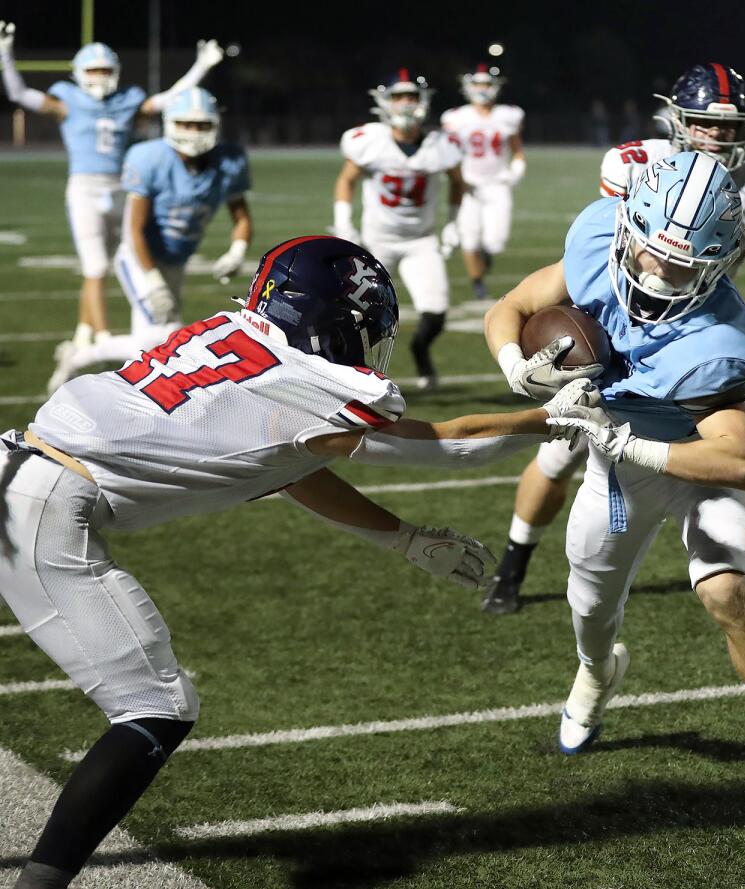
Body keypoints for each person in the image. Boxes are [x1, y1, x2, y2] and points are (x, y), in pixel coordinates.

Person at [0, 235, 595, 889]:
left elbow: (290, 466)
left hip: (23, 472)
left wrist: (402, 537)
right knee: (155, 707)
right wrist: (551, 418)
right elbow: (446, 447)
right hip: (45, 510)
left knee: (155, 704)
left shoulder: (233, 335)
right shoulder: (306, 382)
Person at [483, 151, 745, 813]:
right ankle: (596, 672)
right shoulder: (596, 241)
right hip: (618, 476)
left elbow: (735, 460)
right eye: (650, 252)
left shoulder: (719, 340)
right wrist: (516, 365)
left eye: (683, 264)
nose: (658, 272)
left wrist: (624, 437)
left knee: (728, 591)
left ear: (716, 262)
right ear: (628, 226)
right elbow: (511, 306)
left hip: (691, 467)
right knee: (590, 612)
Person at [481, 63, 745, 615]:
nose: (718, 135)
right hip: (615, 332)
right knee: (557, 459)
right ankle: (513, 562)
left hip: (693, 344)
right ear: (675, 121)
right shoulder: (636, 165)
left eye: (730, 126)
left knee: (710, 465)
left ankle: (722, 573)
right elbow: (609, 256)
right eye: (703, 124)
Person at [0, 21, 224, 352]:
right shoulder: (68, 100)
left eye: (106, 70)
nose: (100, 77)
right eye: (93, 70)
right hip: (85, 189)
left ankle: (85, 329)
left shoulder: (127, 101)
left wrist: (201, 67)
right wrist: (5, 53)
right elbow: (19, 94)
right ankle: (101, 338)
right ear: (79, 72)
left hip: (125, 188)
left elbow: (168, 101)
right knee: (97, 266)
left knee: (131, 258)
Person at [47, 87, 251, 391]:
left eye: (202, 125)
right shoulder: (149, 157)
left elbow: (241, 216)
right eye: (186, 124)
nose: (193, 132)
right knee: (154, 340)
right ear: (170, 123)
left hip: (177, 259)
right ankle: (87, 363)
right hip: (139, 257)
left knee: (166, 338)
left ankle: (82, 358)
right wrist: (152, 278)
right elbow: (134, 228)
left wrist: (237, 251)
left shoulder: (229, 160)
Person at [334, 68, 465, 391]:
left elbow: (457, 183)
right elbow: (346, 180)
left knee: (435, 312)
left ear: (422, 101)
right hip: (377, 242)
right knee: (356, 314)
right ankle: (350, 375)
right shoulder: (371, 141)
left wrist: (453, 222)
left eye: (411, 96)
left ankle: (420, 351)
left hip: (421, 242)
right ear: (384, 101)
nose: (405, 103)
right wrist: (343, 222)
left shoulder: (440, 144)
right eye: (398, 96)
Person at [440, 65, 526, 301]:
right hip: (468, 185)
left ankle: (485, 259)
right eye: (477, 84)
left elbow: (517, 150)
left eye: (486, 84)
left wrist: (516, 172)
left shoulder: (508, 115)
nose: (482, 89)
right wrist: (454, 177)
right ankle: (477, 282)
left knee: (495, 242)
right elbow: (447, 152)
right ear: (468, 87)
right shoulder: (455, 117)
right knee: (469, 237)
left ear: (495, 87)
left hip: (497, 183)